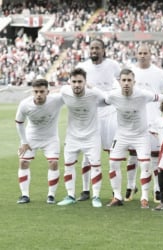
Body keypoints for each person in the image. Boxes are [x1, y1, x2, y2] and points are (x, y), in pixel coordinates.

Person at [124, 44, 163, 203]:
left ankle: (156, 189)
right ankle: (131, 185)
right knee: (133, 155)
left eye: (145, 53)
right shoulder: (131, 72)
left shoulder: (158, 73)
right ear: (136, 54)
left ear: (150, 54)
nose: (142, 56)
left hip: (154, 120)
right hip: (133, 120)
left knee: (155, 157)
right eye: (139, 53)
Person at [104, 68, 163, 209]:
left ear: (134, 82)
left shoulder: (142, 94)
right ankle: (117, 196)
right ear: (119, 81)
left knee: (145, 165)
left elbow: (160, 97)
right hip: (121, 134)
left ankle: (144, 197)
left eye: (129, 80)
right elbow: (101, 101)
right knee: (113, 164)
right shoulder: (112, 96)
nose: (126, 83)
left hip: (141, 135)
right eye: (123, 80)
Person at [75, 38, 121, 202]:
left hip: (109, 112)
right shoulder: (83, 67)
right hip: (90, 114)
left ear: (103, 50)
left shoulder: (113, 65)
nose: (94, 51)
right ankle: (86, 190)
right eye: (92, 48)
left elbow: (123, 79)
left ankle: (116, 191)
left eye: (97, 48)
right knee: (88, 154)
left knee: (111, 153)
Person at [57, 68, 106, 208]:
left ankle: (96, 196)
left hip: (92, 136)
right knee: (68, 165)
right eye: (74, 81)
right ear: (69, 82)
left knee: (96, 166)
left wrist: (94, 87)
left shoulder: (94, 94)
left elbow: (107, 100)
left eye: (80, 81)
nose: (77, 85)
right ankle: (70, 195)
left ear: (85, 82)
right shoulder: (64, 91)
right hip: (72, 136)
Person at [15, 79, 64, 204]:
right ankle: (25, 195)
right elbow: (19, 123)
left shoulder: (56, 100)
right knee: (23, 162)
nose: (38, 94)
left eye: (42, 91)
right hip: (31, 136)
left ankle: (51, 195)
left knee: (53, 163)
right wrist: (24, 142)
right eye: (36, 91)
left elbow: (69, 92)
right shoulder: (25, 104)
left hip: (50, 137)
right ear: (32, 91)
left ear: (47, 91)